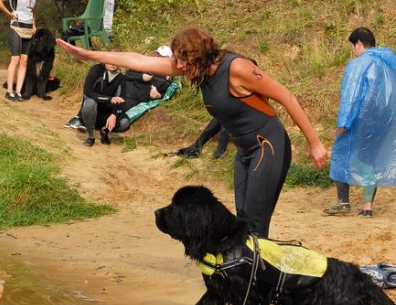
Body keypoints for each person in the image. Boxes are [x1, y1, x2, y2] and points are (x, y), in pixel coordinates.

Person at [57, 26, 327, 236]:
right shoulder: (195, 68)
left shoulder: (237, 68)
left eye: (183, 60)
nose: (179, 66)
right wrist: (89, 55)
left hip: (269, 145)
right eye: (177, 59)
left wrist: (314, 143)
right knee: (242, 220)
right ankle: (249, 283)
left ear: (199, 54)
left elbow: (287, 97)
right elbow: (137, 60)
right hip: (245, 151)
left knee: (255, 223)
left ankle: (251, 291)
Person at [323, 27, 396, 218]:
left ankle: (343, 202)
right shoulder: (388, 62)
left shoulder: (358, 64)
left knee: (341, 155)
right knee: (369, 160)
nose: (353, 51)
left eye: (353, 47)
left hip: (360, 120)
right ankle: (367, 207)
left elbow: (351, 95)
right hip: (384, 122)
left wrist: (343, 122)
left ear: (359, 44)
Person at [64, 46, 174, 130]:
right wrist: (141, 77)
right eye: (156, 54)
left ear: (167, 59)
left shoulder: (166, 78)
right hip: (117, 92)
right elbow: (128, 74)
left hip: (131, 101)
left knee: (123, 123)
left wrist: (158, 95)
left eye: (161, 57)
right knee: (97, 98)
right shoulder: (144, 66)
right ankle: (81, 118)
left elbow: (163, 95)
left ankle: (97, 124)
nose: (156, 58)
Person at [0, 0, 38, 101]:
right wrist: (9, 14)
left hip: (28, 29)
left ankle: (18, 92)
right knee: (15, 60)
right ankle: (9, 91)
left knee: (24, 61)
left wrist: (34, 25)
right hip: (17, 27)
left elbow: (32, 10)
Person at [79, 62, 131, 147]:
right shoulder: (96, 69)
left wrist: (114, 115)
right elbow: (87, 92)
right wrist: (109, 99)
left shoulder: (121, 77)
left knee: (125, 123)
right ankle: (91, 136)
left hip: (108, 113)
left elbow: (122, 101)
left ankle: (105, 131)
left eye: (116, 61)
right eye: (110, 61)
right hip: (93, 110)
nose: (113, 64)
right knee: (89, 103)